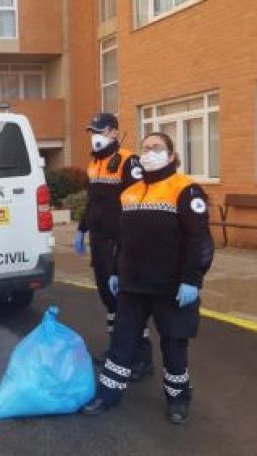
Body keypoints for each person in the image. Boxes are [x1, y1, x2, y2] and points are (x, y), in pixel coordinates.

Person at [81, 131, 215, 424]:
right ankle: (108, 394)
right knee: (122, 341)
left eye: (157, 148)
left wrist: (192, 279)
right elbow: (124, 240)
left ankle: (178, 399)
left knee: (174, 346)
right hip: (133, 285)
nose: (149, 152)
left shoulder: (185, 190)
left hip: (171, 287)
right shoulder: (130, 193)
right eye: (145, 148)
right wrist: (116, 271)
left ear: (170, 156)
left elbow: (200, 240)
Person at [74, 112, 153, 379]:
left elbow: (139, 201)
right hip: (99, 241)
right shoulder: (94, 164)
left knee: (126, 300)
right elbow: (93, 202)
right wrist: (81, 228)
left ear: (115, 133)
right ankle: (117, 350)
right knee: (109, 298)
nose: (97, 136)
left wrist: (130, 241)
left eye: (102, 130)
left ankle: (140, 358)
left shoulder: (128, 162)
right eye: (94, 131)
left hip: (120, 242)